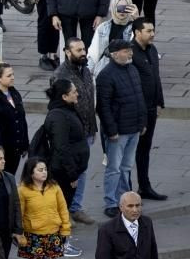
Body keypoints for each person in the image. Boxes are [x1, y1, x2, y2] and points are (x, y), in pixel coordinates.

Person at [95, 39, 146, 218]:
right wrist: (111, 131)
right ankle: (111, 201)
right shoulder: (106, 76)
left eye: (130, 51)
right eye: (126, 51)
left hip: (134, 128)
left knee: (126, 167)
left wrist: (142, 123)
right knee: (114, 168)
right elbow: (103, 107)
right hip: (118, 132)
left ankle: (125, 199)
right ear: (115, 54)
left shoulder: (132, 70)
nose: (130, 53)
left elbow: (139, 98)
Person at [41, 79, 89, 259]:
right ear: (64, 96)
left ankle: (61, 242)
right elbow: (61, 148)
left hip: (69, 169)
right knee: (61, 209)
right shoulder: (59, 116)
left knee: (63, 208)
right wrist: (72, 174)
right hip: (63, 173)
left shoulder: (66, 111)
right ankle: (60, 244)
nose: (77, 94)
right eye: (74, 91)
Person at [55, 38, 98, 225]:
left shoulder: (85, 70)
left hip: (87, 130)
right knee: (67, 172)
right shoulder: (60, 75)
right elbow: (57, 106)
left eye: (84, 49)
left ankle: (76, 207)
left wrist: (92, 127)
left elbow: (89, 99)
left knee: (82, 170)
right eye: (78, 50)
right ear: (67, 51)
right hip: (71, 133)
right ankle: (64, 210)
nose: (83, 53)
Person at [18, 158, 71, 259]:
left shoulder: (54, 187)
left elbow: (63, 208)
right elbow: (19, 213)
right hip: (33, 234)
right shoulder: (23, 190)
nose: (44, 173)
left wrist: (65, 228)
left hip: (53, 232)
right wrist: (19, 234)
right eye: (40, 170)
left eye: (45, 169)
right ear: (31, 172)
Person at [129, 18, 165, 201]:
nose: (152, 34)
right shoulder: (130, 53)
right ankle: (125, 191)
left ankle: (144, 186)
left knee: (145, 149)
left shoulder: (152, 50)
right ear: (137, 33)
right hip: (136, 111)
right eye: (148, 31)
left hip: (151, 109)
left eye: (153, 30)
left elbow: (155, 78)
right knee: (129, 152)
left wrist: (160, 102)